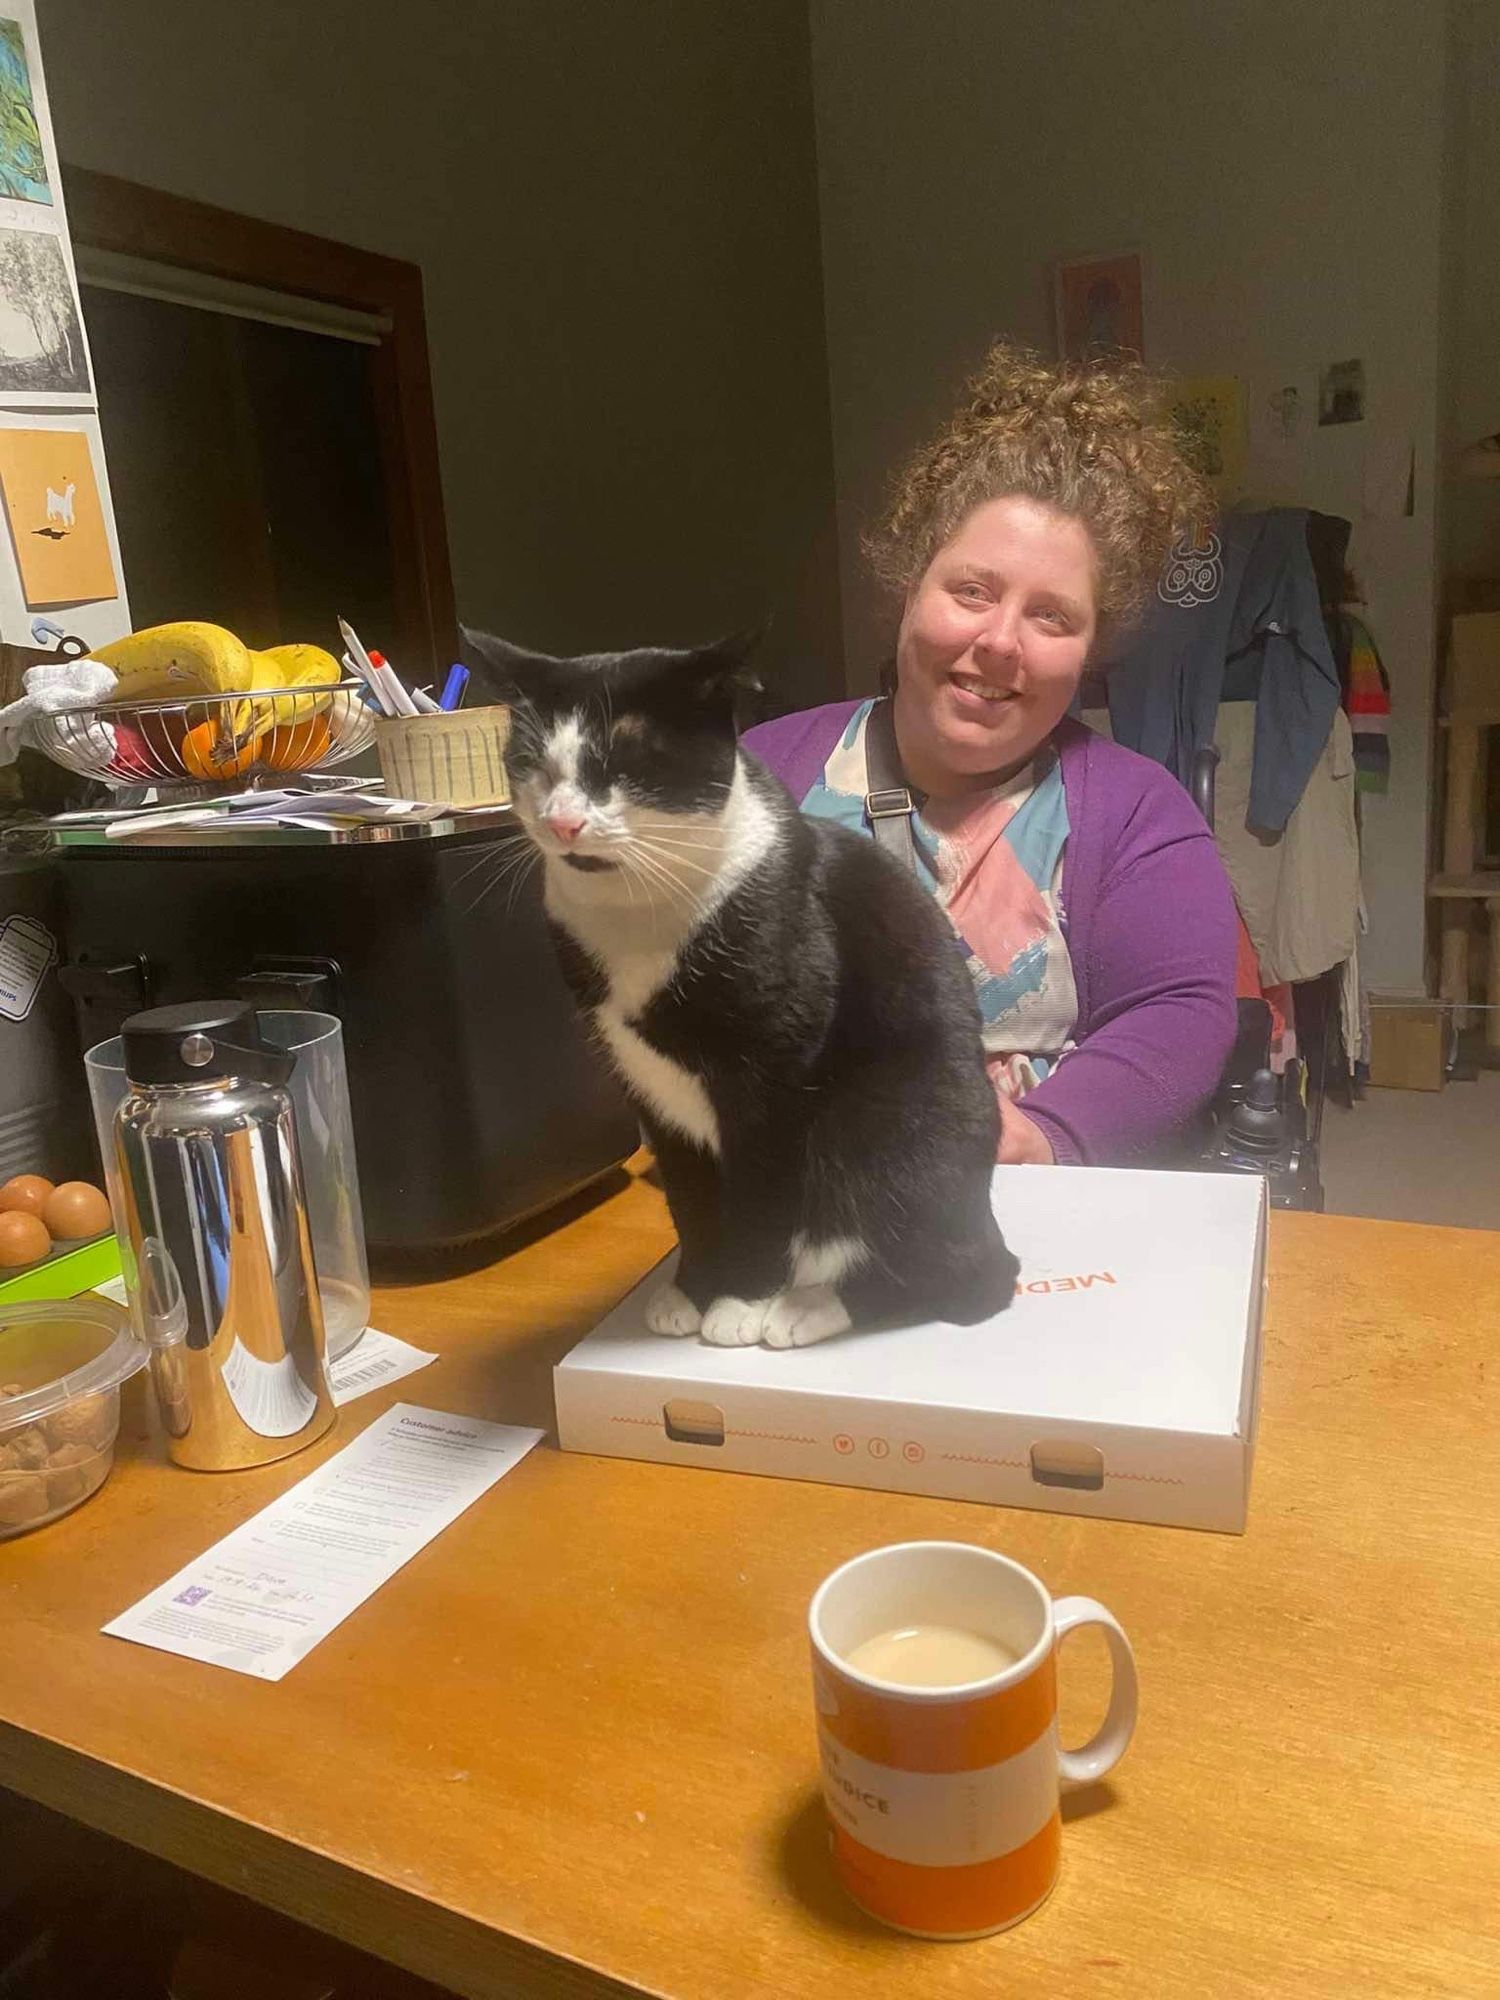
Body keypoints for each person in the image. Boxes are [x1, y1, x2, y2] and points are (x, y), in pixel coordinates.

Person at [742, 342, 1237, 1167]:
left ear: (1090, 650)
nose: (999, 642)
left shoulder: (1138, 813)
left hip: (1018, 1216)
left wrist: (1040, 1136)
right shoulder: (762, 772)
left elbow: (1179, 1011)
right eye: (971, 591)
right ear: (910, 588)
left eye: (1052, 617)